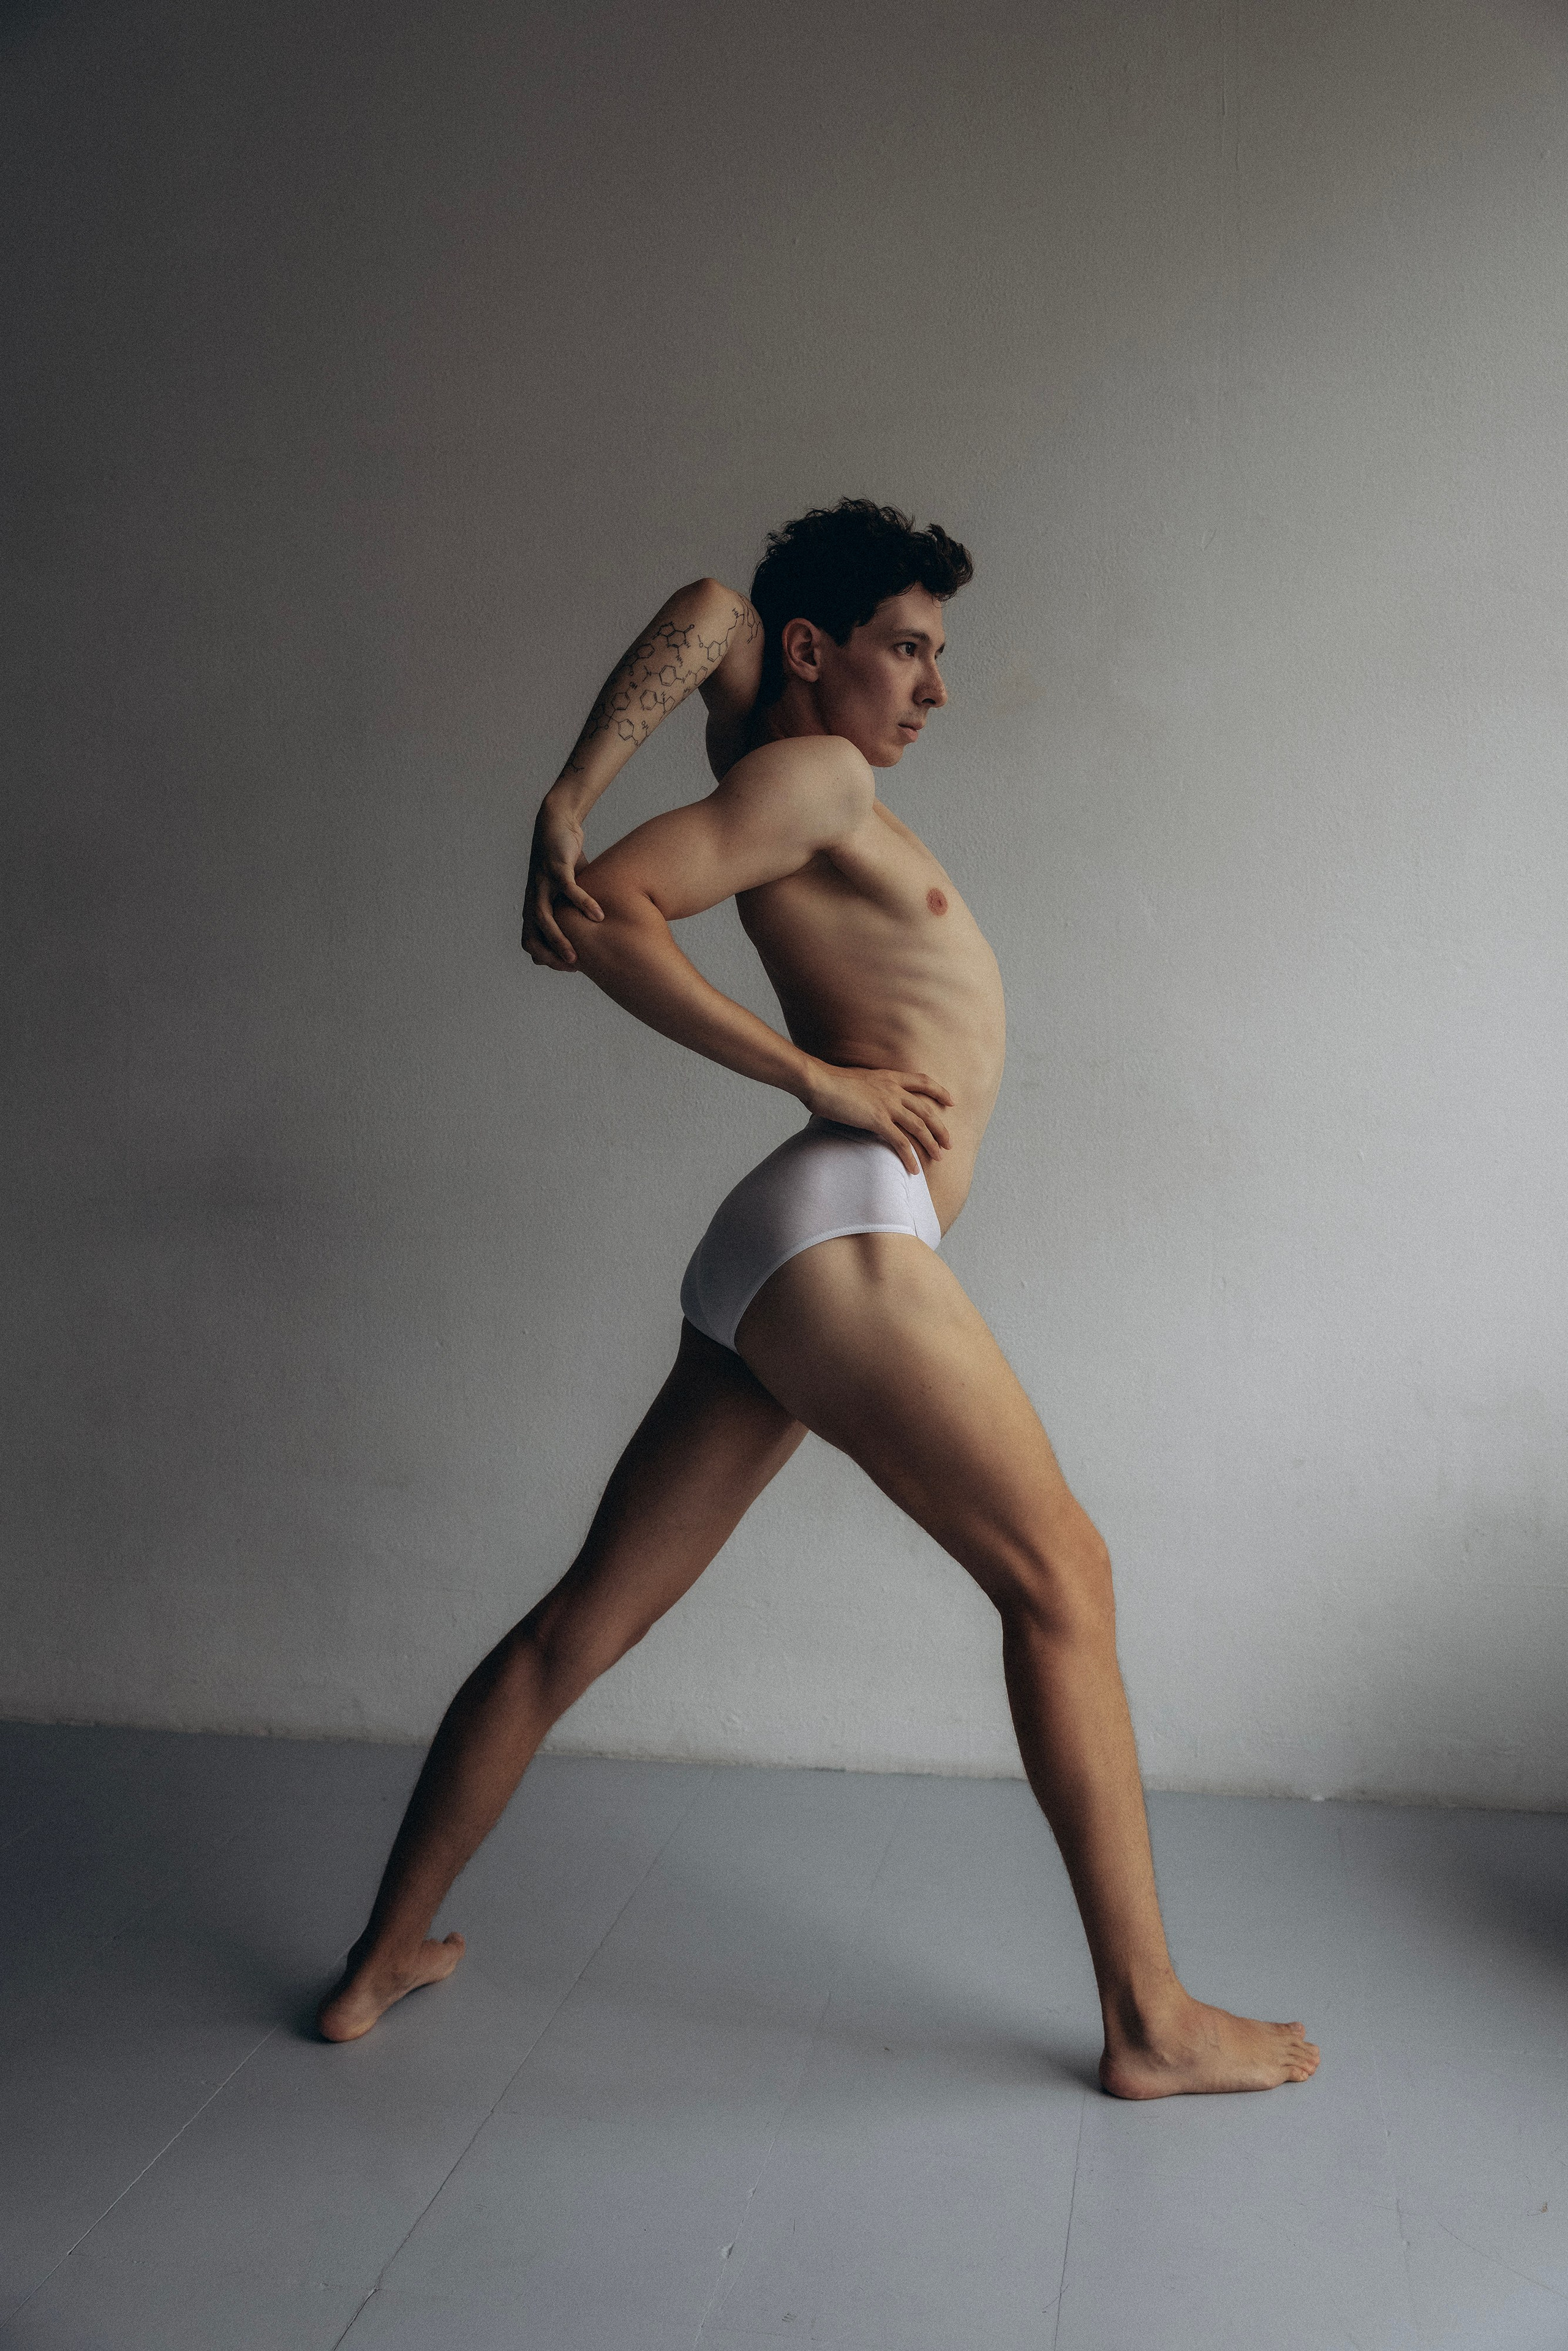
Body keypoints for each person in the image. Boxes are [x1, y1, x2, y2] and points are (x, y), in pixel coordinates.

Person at [318, 499, 1319, 2098]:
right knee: (1065, 1574)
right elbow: (613, 914)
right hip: (845, 1232)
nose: (931, 689)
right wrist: (812, 1076)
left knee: (584, 1620)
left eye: (936, 654)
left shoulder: (779, 758)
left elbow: (711, 609)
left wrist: (568, 791)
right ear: (820, 653)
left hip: (791, 1248)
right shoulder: (817, 775)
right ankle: (1153, 2020)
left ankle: (377, 1965)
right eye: (908, 649)